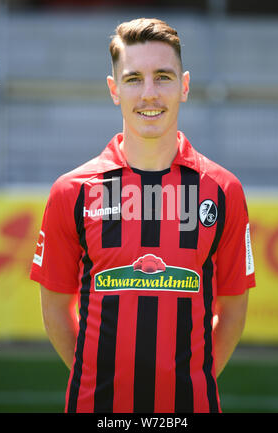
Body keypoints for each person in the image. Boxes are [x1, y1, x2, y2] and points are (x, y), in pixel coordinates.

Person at [30, 17, 255, 413]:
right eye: (134, 79)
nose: (149, 94)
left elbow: (234, 312)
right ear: (114, 90)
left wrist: (188, 381)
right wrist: (98, 375)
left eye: (163, 77)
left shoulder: (223, 191)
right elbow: (54, 307)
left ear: (184, 86)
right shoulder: (72, 191)